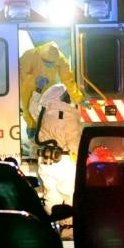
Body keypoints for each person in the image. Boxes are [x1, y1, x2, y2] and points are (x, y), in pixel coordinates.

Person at [29, 83, 82, 239]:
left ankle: (52, 229)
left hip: (45, 161)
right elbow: (74, 143)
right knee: (69, 195)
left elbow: (33, 109)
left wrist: (37, 91)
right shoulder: (70, 114)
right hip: (65, 161)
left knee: (50, 194)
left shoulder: (43, 112)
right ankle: (68, 229)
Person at [19, 41, 86, 158]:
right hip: (29, 90)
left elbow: (67, 79)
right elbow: (20, 75)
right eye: (46, 62)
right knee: (31, 117)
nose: (49, 65)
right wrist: (35, 81)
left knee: (39, 116)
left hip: (50, 92)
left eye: (51, 63)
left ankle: (38, 149)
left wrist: (78, 97)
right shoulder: (29, 55)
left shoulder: (59, 58)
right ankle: (34, 143)